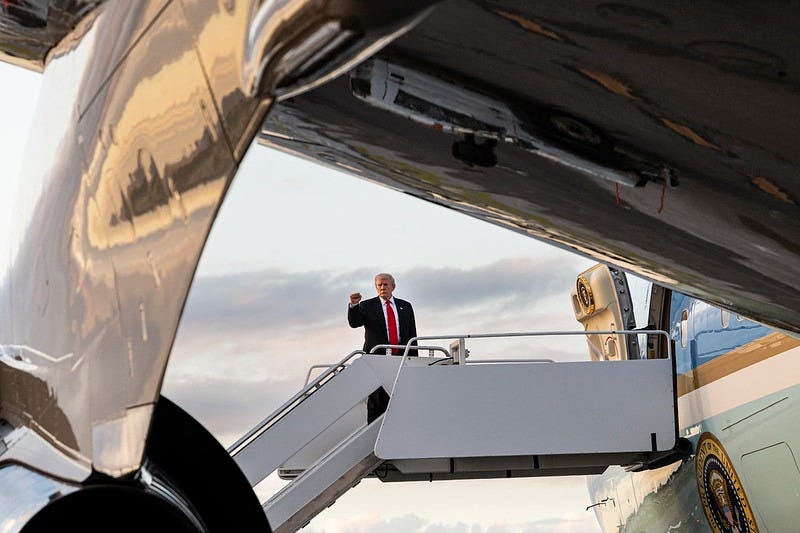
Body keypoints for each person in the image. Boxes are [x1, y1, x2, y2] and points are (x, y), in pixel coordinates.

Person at [348, 273, 418, 422]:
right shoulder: (366, 306)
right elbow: (354, 323)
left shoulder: (405, 306)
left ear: (393, 286)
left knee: (401, 400)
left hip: (400, 359)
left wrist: (414, 361)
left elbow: (412, 334)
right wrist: (353, 306)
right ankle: (374, 434)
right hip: (377, 360)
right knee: (376, 402)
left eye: (385, 284)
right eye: (379, 285)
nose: (382, 287)